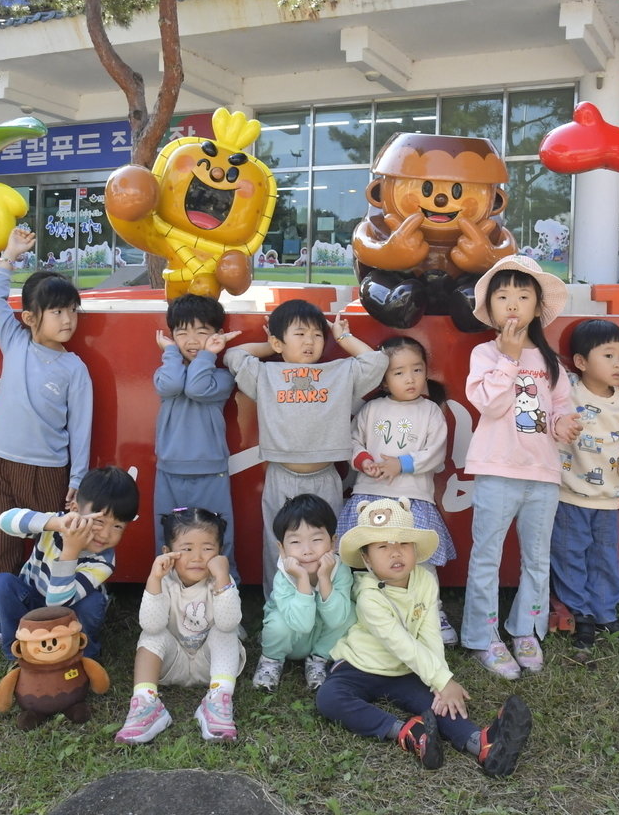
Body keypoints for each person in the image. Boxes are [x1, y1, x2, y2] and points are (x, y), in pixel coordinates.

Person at [315, 497, 533, 777]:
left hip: (406, 671)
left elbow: (430, 636)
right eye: (383, 546)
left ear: (416, 550)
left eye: (403, 544)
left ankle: (481, 743)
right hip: (360, 666)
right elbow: (400, 643)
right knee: (329, 698)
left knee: (440, 702)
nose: (396, 553)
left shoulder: (425, 581)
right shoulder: (368, 595)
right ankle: (408, 731)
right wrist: (440, 678)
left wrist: (441, 680)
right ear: (367, 559)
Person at [461, 255, 580, 679]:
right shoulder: (485, 353)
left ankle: (525, 629)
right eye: (503, 295)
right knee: (487, 557)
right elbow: (490, 404)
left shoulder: (550, 363)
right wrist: (509, 358)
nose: (513, 304)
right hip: (497, 472)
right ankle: (483, 636)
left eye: (523, 295)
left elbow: (562, 409)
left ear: (537, 307)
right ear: (491, 308)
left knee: (536, 557)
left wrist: (566, 425)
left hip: (543, 475)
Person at [225, 299, 387, 595]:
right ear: (279, 341)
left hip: (325, 477)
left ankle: (329, 607)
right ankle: (278, 607)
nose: (310, 342)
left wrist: (342, 337)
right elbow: (234, 355)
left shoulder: (338, 371)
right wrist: (269, 347)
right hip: (281, 477)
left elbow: (376, 362)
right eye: (299, 334)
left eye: (316, 334)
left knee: (328, 544)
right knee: (279, 545)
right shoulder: (266, 375)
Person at [0, 227, 94, 593]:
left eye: (72, 311)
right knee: (3, 539)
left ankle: (46, 609)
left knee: (48, 545)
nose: (68, 320)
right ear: (30, 318)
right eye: (57, 311)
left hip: (47, 471)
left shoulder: (74, 368)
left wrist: (76, 480)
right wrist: (9, 257)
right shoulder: (14, 340)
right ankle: (4, 609)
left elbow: (81, 430)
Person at [335, 335, 459, 644]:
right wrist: (364, 462)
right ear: (385, 379)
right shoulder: (371, 410)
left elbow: (435, 452)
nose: (410, 378)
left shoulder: (430, 411)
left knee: (419, 560)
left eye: (417, 370)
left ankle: (432, 610)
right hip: (370, 497)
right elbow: (353, 441)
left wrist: (400, 464)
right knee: (368, 561)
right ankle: (367, 613)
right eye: (399, 372)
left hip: (412, 499)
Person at [552, 319, 619, 652]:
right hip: (568, 495)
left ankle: (607, 615)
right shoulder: (567, 390)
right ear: (580, 362)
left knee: (605, 559)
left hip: (609, 498)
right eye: (608, 355)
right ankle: (581, 616)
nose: (618, 363)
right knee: (570, 557)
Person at [115, 507, 246, 744]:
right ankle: (146, 703)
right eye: (186, 549)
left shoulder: (220, 582)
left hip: (211, 666)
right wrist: (154, 579)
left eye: (207, 549)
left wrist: (223, 579)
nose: (197, 557)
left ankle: (217, 700)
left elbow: (229, 622)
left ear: (219, 552)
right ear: (167, 552)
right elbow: (151, 625)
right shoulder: (164, 581)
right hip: (171, 664)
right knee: (151, 636)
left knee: (224, 632)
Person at [0, 466, 140, 660]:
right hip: (30, 601)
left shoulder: (103, 560)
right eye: (99, 521)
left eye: (118, 526)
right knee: (0, 585)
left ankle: (81, 653)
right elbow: (4, 521)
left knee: (92, 603)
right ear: (74, 509)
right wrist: (54, 523)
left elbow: (57, 603)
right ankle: (18, 650)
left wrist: (70, 550)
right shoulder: (55, 524)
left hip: (68, 613)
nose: (106, 534)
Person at [153, 294, 241, 576]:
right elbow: (175, 383)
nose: (191, 340)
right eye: (182, 333)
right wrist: (170, 354)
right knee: (168, 535)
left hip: (210, 471)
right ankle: (167, 592)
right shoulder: (167, 372)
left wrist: (208, 355)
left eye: (202, 332)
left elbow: (197, 388)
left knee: (218, 535)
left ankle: (225, 591)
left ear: (217, 335)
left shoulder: (222, 377)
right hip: (169, 470)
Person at [251, 494, 355, 692]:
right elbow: (301, 623)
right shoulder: (284, 576)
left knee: (350, 613)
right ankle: (271, 660)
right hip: (293, 638)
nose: (307, 550)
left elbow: (337, 620)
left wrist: (324, 578)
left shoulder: (339, 570)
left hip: (322, 637)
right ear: (282, 549)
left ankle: (319, 659)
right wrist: (302, 580)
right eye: (296, 542)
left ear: (333, 542)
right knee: (277, 625)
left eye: (316, 539)